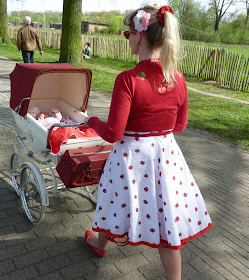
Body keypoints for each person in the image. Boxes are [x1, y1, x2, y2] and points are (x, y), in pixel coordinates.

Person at [83, 5, 212, 280]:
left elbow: (114, 133)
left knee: (117, 202)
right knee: (167, 221)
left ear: (139, 36)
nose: (127, 39)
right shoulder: (177, 77)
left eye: (127, 34)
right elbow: (179, 125)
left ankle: (99, 242)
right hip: (166, 157)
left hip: (132, 158)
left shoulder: (128, 80)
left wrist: (91, 120)